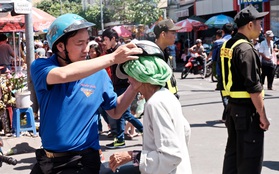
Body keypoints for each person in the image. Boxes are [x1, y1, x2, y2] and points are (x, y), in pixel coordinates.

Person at [30, 13, 143, 174]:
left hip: (81, 162)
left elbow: (116, 111)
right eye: (79, 43)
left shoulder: (99, 73)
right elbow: (63, 75)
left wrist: (134, 87)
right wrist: (112, 57)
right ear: (60, 47)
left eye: (87, 42)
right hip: (47, 160)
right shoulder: (41, 66)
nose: (86, 49)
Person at [108, 40, 191, 174]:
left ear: (139, 73)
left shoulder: (156, 103)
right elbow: (185, 130)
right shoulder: (166, 96)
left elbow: (170, 156)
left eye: (130, 74)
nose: (128, 80)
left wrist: (133, 156)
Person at [220, 5, 270, 174]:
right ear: (250, 25)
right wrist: (262, 115)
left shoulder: (228, 45)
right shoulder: (246, 49)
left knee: (233, 157)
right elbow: (254, 88)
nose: (261, 27)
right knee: (250, 160)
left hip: (232, 108)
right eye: (259, 23)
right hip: (247, 112)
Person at [102, 28, 143, 148]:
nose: (104, 43)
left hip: (124, 85)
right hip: (118, 85)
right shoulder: (112, 51)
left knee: (122, 113)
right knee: (121, 113)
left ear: (113, 39)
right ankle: (122, 137)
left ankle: (122, 138)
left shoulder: (121, 51)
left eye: (106, 40)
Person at [153, 19, 181, 99]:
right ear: (163, 34)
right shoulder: (153, 54)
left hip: (170, 98)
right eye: (172, 33)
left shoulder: (165, 51)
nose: (175, 36)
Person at [211, 23, 234, 123]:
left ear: (223, 32)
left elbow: (214, 59)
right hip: (235, 72)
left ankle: (229, 115)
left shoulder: (218, 43)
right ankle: (226, 116)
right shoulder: (237, 42)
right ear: (232, 32)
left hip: (223, 73)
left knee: (225, 95)